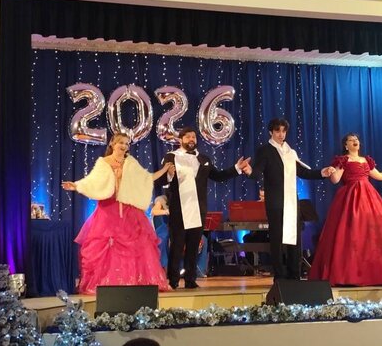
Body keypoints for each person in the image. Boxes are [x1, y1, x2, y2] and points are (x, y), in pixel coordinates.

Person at [62, 133, 173, 294]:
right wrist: (76, 186)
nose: (124, 146)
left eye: (127, 143)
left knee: (136, 245)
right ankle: (107, 284)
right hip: (108, 210)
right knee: (107, 246)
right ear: (112, 144)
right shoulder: (103, 162)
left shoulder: (131, 162)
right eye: (121, 142)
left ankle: (135, 282)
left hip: (129, 210)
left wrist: (164, 170)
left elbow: (147, 178)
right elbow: (91, 181)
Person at [308, 132, 382, 286]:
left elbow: (379, 175)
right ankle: (349, 273)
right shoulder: (343, 160)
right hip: (351, 198)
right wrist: (332, 171)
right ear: (346, 145)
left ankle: (379, 272)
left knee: (374, 231)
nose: (355, 141)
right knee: (352, 231)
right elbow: (335, 180)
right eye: (351, 140)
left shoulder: (366, 160)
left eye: (356, 139)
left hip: (369, 197)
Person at [154, 126, 251, 289]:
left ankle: (191, 279)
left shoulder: (203, 158)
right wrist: (169, 174)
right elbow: (160, 180)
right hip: (179, 208)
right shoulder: (171, 156)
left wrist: (236, 169)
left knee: (194, 245)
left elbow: (218, 176)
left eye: (193, 137)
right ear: (180, 140)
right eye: (187, 137)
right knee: (177, 245)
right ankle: (173, 280)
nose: (191, 139)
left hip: (198, 208)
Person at [243, 118, 334, 280]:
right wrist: (249, 171)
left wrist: (322, 172)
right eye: (277, 130)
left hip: (292, 202)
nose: (281, 134)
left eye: (284, 131)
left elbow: (303, 172)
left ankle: (295, 275)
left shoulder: (290, 152)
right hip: (276, 202)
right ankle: (279, 276)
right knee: (277, 239)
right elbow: (257, 172)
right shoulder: (265, 150)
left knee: (295, 238)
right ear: (271, 132)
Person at [151, 193, 209, 277]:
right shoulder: (162, 199)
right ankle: (165, 268)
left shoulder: (186, 199)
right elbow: (154, 211)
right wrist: (167, 211)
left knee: (203, 239)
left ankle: (199, 269)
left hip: (182, 227)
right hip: (166, 227)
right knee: (163, 239)